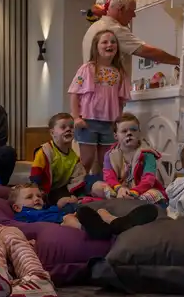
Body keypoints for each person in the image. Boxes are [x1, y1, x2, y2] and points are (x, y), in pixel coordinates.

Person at [83, 0, 184, 77]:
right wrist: (181, 62)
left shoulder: (95, 26)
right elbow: (148, 52)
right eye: (131, 11)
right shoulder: (114, 29)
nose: (134, 16)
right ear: (121, 9)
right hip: (107, 93)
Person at [70, 30, 130, 174]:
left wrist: (119, 122)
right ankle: (79, 186)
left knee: (106, 160)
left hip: (109, 123)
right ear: (96, 47)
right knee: (87, 159)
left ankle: (103, 187)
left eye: (113, 42)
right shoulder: (87, 69)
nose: (109, 45)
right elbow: (74, 92)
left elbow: (121, 100)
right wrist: (76, 117)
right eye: (105, 42)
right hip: (88, 121)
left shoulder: (119, 72)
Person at [9, 183, 157, 241]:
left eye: (39, 196)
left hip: (76, 217)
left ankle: (116, 221)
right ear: (17, 207)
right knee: (71, 218)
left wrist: (72, 205)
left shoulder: (50, 208)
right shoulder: (23, 215)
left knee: (99, 210)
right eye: (29, 197)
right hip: (62, 225)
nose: (36, 199)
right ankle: (109, 228)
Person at [92, 113, 166, 204]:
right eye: (124, 131)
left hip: (141, 191)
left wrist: (134, 191)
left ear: (139, 132)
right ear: (116, 136)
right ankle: (121, 199)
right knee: (96, 186)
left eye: (133, 130)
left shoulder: (147, 154)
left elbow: (149, 179)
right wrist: (119, 188)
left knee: (156, 194)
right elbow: (109, 177)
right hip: (119, 189)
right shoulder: (109, 155)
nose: (129, 133)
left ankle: (130, 201)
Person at [30, 113, 88, 206]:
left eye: (71, 127)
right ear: (52, 133)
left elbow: (77, 178)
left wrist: (79, 194)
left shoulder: (74, 157)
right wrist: (39, 193)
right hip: (46, 191)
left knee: (88, 182)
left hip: (62, 188)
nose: (68, 129)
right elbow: (35, 176)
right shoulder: (45, 151)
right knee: (64, 201)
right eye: (63, 127)